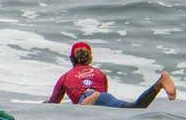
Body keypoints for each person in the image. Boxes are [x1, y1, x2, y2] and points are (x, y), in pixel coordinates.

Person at [46, 41, 177, 108]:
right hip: (103, 97)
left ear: (71, 58)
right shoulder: (99, 74)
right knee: (136, 107)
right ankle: (160, 82)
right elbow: (103, 100)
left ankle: (86, 103)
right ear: (90, 58)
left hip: (86, 98)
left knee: (84, 108)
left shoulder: (66, 77)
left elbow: (53, 103)